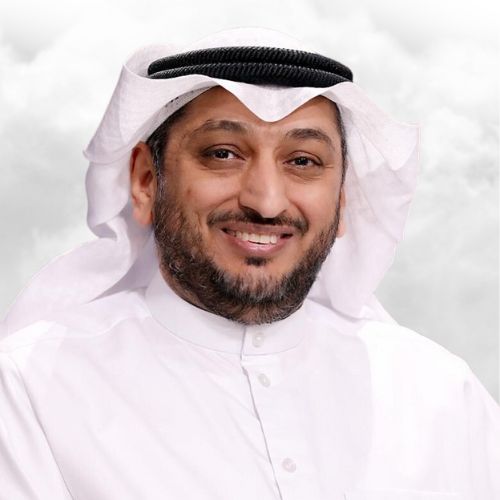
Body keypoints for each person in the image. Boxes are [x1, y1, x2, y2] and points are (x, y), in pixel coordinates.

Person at [0, 27, 499, 500]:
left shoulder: (440, 396)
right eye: (223, 154)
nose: (266, 201)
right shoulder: (32, 388)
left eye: (302, 161)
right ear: (146, 181)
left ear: (343, 197)